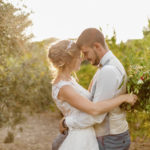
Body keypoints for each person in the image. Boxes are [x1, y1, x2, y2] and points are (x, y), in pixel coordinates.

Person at [48, 39, 137, 150]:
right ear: (69, 60)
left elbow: (88, 99)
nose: (82, 59)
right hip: (79, 138)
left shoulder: (70, 80)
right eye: (79, 56)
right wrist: (122, 98)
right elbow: (94, 109)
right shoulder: (64, 88)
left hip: (86, 134)